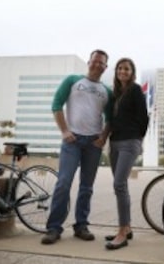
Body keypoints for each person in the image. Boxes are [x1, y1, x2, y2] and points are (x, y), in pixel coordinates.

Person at [41, 49, 113, 245]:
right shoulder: (73, 80)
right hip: (71, 141)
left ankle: (81, 225)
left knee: (86, 187)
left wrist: (103, 137)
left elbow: (111, 118)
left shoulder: (107, 91)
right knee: (63, 183)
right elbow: (56, 104)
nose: (97, 64)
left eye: (102, 63)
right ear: (89, 62)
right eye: (95, 61)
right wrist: (64, 131)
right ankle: (54, 228)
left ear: (105, 67)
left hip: (93, 144)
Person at [104, 58, 148, 250]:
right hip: (114, 142)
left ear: (132, 72)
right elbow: (112, 120)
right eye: (120, 68)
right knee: (120, 187)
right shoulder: (115, 94)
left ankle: (122, 232)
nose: (123, 71)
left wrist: (138, 139)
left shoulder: (135, 90)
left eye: (127, 69)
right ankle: (127, 227)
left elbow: (143, 118)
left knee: (119, 184)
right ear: (116, 71)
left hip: (130, 142)